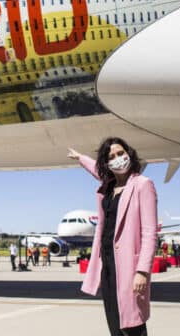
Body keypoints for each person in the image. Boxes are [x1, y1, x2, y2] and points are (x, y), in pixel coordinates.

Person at [68, 137, 157, 336]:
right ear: (106, 164)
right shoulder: (108, 186)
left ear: (129, 153)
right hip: (107, 264)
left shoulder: (143, 185)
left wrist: (142, 271)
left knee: (132, 323)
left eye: (120, 153)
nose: (118, 159)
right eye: (111, 157)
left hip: (128, 266)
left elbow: (150, 232)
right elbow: (96, 169)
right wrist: (80, 157)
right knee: (115, 322)